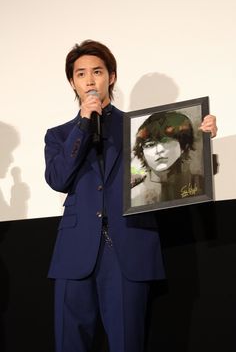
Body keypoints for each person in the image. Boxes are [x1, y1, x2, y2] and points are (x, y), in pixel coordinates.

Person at [44, 39, 217, 352]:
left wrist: (201, 136)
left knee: (128, 343)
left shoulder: (142, 129)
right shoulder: (59, 135)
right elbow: (58, 179)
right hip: (75, 251)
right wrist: (83, 124)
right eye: (81, 74)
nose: (89, 79)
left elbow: (175, 171)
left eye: (97, 71)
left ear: (111, 76)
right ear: (72, 81)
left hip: (128, 247)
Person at [131, 110, 204, 206]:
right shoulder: (134, 196)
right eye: (150, 145)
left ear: (183, 145)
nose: (159, 150)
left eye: (166, 141)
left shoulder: (201, 185)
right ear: (142, 153)